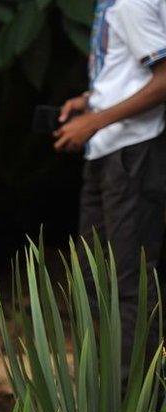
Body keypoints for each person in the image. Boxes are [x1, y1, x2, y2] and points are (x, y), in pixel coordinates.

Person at [53, 0, 166, 377]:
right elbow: (129, 70)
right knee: (94, 273)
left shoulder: (131, 3)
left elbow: (164, 77)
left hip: (131, 150)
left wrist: (96, 121)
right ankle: (105, 386)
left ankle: (132, 399)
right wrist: (90, 101)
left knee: (127, 277)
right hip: (110, 148)